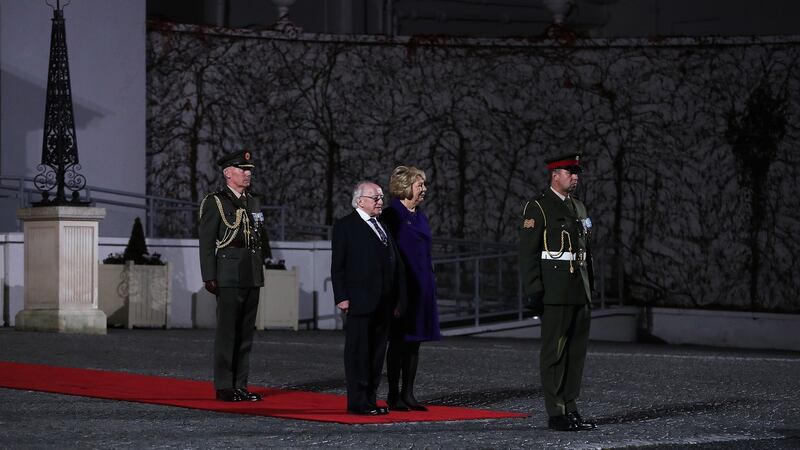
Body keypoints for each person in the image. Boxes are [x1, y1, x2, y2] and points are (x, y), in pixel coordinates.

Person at [518, 153, 597, 431]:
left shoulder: (579, 207)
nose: (575, 176)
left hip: (579, 291)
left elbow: (586, 254)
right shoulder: (538, 208)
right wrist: (534, 291)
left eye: (577, 172)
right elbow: (528, 254)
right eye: (570, 171)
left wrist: (592, 287)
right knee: (554, 354)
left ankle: (571, 406)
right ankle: (556, 411)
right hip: (555, 293)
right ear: (555, 174)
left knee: (575, 354)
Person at [199, 150, 271, 402]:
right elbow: (207, 242)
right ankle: (224, 386)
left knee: (245, 332)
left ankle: (240, 384)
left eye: (249, 170)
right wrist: (209, 275)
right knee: (228, 332)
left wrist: (266, 261)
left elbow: (261, 235)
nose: (248, 173)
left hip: (251, 271)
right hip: (228, 272)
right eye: (243, 169)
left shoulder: (253, 202)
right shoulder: (216, 201)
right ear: (228, 173)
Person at [331, 181, 406, 415]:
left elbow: (394, 262)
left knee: (376, 354)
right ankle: (358, 402)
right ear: (360, 200)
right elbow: (338, 266)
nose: (380, 201)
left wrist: (397, 297)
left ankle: (371, 399)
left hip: (383, 302)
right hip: (360, 301)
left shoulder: (382, 226)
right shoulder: (346, 226)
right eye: (376, 197)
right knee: (358, 353)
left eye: (381, 197)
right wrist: (342, 296)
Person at [381, 166, 441, 412]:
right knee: (398, 341)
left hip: (422, 286)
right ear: (405, 187)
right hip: (402, 288)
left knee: (415, 342)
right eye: (420, 185)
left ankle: (409, 392)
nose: (424, 189)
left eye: (424, 185)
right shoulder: (391, 215)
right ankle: (394, 393)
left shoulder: (421, 215)